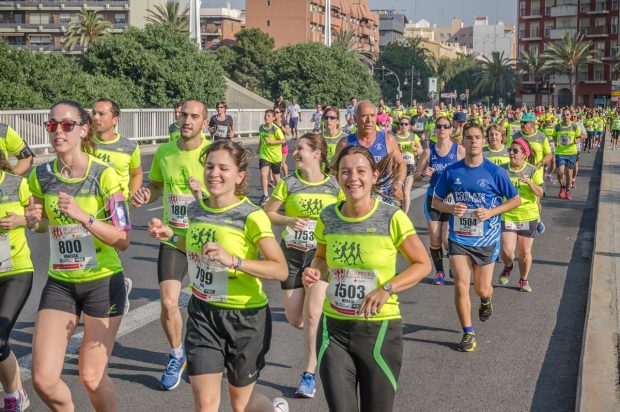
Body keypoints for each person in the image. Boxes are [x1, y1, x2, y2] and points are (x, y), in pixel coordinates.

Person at [147, 140, 287, 412]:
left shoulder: (251, 216)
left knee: (241, 405)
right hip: (203, 315)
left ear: (240, 176)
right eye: (209, 166)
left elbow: (279, 268)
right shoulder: (196, 209)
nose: (214, 173)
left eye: (224, 168)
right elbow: (195, 245)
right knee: (205, 406)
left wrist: (233, 261)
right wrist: (171, 235)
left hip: (245, 318)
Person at [302, 145, 431, 412]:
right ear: (337, 176)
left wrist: (387, 288)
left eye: (361, 171)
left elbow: (422, 264)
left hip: (379, 331)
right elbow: (322, 256)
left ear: (373, 175)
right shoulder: (328, 217)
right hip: (333, 330)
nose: (353, 178)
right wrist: (315, 269)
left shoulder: (391, 217)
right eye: (345, 172)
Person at [26, 100, 131, 410]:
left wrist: (82, 215)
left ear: (84, 129)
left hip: (101, 282)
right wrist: (36, 221)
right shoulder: (41, 175)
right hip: (61, 282)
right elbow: (43, 223)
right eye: (52, 125)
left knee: (91, 377)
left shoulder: (104, 176)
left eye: (67, 125)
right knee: (43, 380)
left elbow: (123, 238)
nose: (58, 131)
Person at [131, 99, 211, 391]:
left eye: (194, 116)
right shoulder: (165, 151)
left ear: (205, 121)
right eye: (183, 115)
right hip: (173, 237)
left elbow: (230, 193)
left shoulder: (213, 153)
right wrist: (144, 195)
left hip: (208, 242)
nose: (187, 120)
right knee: (168, 302)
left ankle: (210, 353)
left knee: (210, 306)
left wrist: (201, 193)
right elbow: (156, 185)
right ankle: (177, 354)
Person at [264, 133, 342, 398]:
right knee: (296, 318)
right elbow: (268, 213)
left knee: (311, 315)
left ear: (317, 154)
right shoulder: (289, 183)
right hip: (292, 255)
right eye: (295, 149)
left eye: (301, 149)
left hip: (320, 256)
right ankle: (323, 326)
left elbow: (348, 212)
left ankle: (308, 375)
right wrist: (288, 221)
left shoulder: (334, 186)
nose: (295, 153)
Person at [432, 123, 520, 352]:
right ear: (463, 142)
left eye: (477, 137)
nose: (473, 141)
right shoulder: (451, 172)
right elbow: (435, 201)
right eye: (469, 137)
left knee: (482, 289)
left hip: (486, 240)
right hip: (459, 238)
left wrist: (491, 212)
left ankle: (486, 300)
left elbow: (515, 200)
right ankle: (468, 333)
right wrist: (451, 209)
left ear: (483, 141)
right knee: (461, 284)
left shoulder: (495, 172)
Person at [91, 98, 143, 315]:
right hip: (89, 206)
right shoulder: (84, 142)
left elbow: (137, 173)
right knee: (93, 254)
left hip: (117, 207)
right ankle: (112, 289)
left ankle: (117, 291)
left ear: (115, 120)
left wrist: (132, 194)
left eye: (101, 114)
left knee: (113, 252)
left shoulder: (129, 146)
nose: (95, 117)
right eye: (93, 113)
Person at [0, 152, 34, 411]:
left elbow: (39, 219)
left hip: (15, 271)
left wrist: (21, 219)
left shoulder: (17, 184)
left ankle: (14, 395)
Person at [414, 116, 465, 285]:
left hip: (452, 201)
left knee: (446, 238)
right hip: (433, 199)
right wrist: (423, 174)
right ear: (435, 129)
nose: (442, 129)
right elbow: (416, 176)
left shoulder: (459, 150)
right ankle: (440, 272)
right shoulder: (429, 151)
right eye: (439, 126)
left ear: (451, 129)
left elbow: (470, 169)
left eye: (445, 126)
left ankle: (453, 265)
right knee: (435, 238)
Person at [334, 101, 406, 207]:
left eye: (372, 115)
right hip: (356, 202)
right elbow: (334, 171)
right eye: (364, 116)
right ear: (355, 118)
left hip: (384, 200)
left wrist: (399, 183)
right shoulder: (345, 143)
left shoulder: (388, 140)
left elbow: (401, 164)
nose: (369, 120)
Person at [499, 138, 544, 292]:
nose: (511, 153)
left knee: (524, 253)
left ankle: (523, 279)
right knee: (506, 251)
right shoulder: (502, 170)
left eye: (515, 151)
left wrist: (530, 183)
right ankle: (508, 266)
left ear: (524, 154)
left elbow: (541, 193)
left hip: (528, 215)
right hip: (508, 214)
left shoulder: (532, 170)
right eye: (510, 150)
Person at [394, 116, 423, 214]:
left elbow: (421, 152)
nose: (404, 126)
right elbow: (391, 154)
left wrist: (414, 148)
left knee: (406, 193)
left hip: (410, 167)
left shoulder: (413, 137)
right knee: (398, 193)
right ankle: (400, 208)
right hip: (398, 168)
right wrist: (398, 151)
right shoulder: (394, 138)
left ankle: (404, 216)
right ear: (399, 126)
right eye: (401, 124)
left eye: (406, 124)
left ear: (409, 126)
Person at [258, 110, 286, 206]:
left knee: (276, 178)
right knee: (263, 173)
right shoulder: (261, 127)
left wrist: (272, 142)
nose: (266, 117)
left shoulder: (276, 129)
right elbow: (261, 138)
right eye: (265, 115)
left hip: (275, 156)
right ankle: (265, 195)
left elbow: (283, 140)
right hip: (264, 154)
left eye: (269, 116)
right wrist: (259, 147)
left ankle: (281, 195)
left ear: (273, 118)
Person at [554, 109, 581, 200]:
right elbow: (554, 136)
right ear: (561, 116)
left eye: (567, 115)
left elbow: (580, 136)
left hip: (571, 153)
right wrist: (555, 141)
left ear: (570, 116)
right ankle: (562, 186)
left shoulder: (574, 126)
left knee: (569, 174)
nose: (566, 117)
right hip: (560, 152)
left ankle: (568, 191)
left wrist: (577, 140)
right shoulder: (557, 127)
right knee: (560, 172)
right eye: (564, 115)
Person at [274, 108, 291, 178]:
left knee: (282, 163)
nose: (275, 113)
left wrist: (281, 126)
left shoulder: (284, 122)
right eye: (274, 112)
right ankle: (274, 181)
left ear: (281, 113)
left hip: (283, 146)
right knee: (274, 164)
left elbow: (288, 133)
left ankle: (286, 177)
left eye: (277, 112)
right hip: (274, 146)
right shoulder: (272, 121)